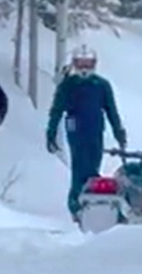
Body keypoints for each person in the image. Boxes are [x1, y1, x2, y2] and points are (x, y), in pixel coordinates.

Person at [45, 45, 127, 222]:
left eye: (87, 64)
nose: (84, 68)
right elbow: (56, 110)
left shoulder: (102, 85)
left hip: (96, 130)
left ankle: (95, 203)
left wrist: (119, 132)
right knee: (80, 168)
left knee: (93, 166)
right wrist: (51, 132)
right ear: (74, 64)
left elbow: (111, 110)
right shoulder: (68, 84)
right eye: (80, 64)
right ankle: (76, 206)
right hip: (76, 131)